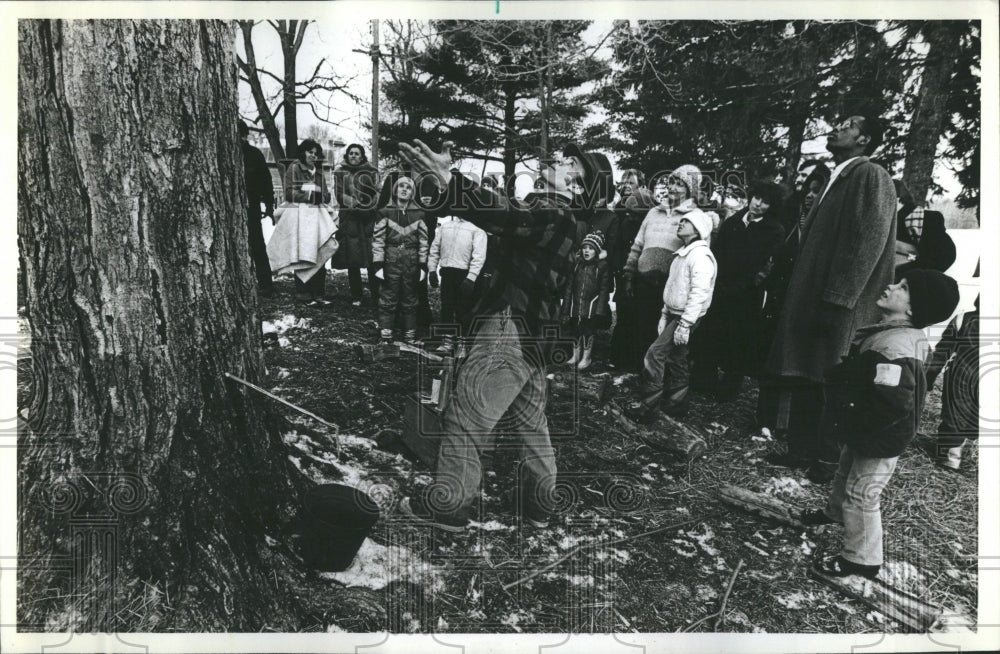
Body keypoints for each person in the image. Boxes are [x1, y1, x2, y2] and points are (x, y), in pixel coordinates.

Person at [395, 139, 593, 531]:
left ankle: (449, 506)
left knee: (467, 415)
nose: (559, 160)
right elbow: (506, 214)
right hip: (535, 338)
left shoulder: (550, 210)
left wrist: (451, 180)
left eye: (571, 164)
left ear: (578, 187)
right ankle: (540, 505)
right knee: (531, 423)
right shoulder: (566, 219)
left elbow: (504, 214)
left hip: (510, 330)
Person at [763, 114, 897, 483]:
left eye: (849, 125)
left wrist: (841, 296)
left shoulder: (872, 176)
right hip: (818, 297)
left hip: (841, 302)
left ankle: (827, 460)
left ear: (864, 140)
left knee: (833, 381)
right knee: (808, 372)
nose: (837, 128)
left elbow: (867, 240)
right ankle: (801, 451)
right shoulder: (837, 177)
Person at [802, 270, 960, 579]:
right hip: (866, 427)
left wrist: (856, 422)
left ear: (913, 309)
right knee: (846, 471)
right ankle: (834, 513)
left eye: (903, 286)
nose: (891, 286)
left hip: (879, 435)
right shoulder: (894, 333)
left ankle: (862, 559)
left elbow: (893, 404)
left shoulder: (896, 349)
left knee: (863, 493)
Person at [690, 181, 786, 398]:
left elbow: (768, 266)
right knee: (710, 334)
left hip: (746, 295)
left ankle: (729, 389)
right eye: (757, 198)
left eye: (766, 202)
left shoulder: (774, 230)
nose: (758, 204)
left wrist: (747, 285)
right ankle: (702, 382)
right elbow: (718, 252)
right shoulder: (733, 221)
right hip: (721, 288)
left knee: (739, 341)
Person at [627, 210, 717, 422]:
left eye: (687, 221)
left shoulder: (700, 256)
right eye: (682, 219)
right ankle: (676, 403)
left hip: (685, 317)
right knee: (677, 357)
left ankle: (648, 407)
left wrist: (685, 324)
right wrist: (664, 313)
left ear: (698, 230)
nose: (681, 223)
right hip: (676, 314)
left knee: (654, 354)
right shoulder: (683, 253)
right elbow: (673, 287)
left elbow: (699, 292)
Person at [615, 165, 704, 372]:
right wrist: (628, 275)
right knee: (642, 330)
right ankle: (642, 377)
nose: (673, 187)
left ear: (690, 190)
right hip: (643, 282)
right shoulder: (653, 212)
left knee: (663, 339)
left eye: (680, 184)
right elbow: (637, 245)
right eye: (672, 181)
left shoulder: (695, 216)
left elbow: (698, 254)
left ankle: (661, 383)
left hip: (671, 287)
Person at [924, 292, 979, 470]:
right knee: (958, 416)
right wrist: (929, 376)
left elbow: (942, 352)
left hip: (968, 377)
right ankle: (951, 458)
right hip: (962, 375)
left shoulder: (963, 319)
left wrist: (929, 376)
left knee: (963, 417)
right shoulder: (963, 319)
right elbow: (942, 352)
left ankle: (957, 455)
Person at [372, 176, 429, 344]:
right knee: (388, 296)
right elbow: (378, 240)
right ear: (395, 190)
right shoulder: (384, 212)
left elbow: (424, 241)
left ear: (413, 193)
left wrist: (422, 265)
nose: (404, 189)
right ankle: (386, 335)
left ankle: (410, 336)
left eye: (409, 187)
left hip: (411, 261)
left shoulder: (419, 214)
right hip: (391, 260)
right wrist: (378, 264)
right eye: (401, 186)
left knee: (410, 298)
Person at [282, 138, 333, 305]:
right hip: (300, 216)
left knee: (320, 248)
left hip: (317, 215)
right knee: (302, 251)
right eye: (310, 152)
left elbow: (326, 195)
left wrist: (321, 196)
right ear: (303, 152)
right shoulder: (295, 167)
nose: (313, 155)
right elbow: (289, 193)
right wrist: (310, 195)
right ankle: (303, 291)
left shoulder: (318, 171)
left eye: (316, 153)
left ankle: (319, 292)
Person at [428, 214, 488, 354]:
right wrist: (432, 270)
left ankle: (463, 342)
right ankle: (447, 341)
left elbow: (479, 256)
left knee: (464, 308)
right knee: (447, 307)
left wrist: (471, 277)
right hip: (447, 273)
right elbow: (435, 249)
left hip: (465, 275)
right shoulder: (445, 227)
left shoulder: (477, 229)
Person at [333, 143, 380, 306]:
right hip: (350, 218)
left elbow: (376, 193)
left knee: (371, 258)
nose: (353, 156)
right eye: (351, 153)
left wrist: (367, 207)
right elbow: (339, 194)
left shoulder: (372, 172)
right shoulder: (340, 172)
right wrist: (354, 205)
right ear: (347, 155)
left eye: (357, 153)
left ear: (362, 156)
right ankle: (357, 295)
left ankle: (376, 294)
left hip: (368, 219)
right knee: (352, 258)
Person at [561, 231, 612, 370]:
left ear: (596, 250)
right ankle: (576, 355)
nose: (586, 251)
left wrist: (600, 309)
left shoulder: (602, 266)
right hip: (575, 304)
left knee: (588, 331)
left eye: (590, 248)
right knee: (575, 330)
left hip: (591, 306)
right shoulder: (577, 265)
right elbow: (569, 287)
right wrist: (566, 307)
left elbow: (603, 290)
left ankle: (586, 357)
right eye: (584, 248)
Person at [239, 121, 276, 296]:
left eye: (241, 135)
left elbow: (266, 182)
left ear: (245, 135)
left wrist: (269, 206)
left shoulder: (254, 155)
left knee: (257, 245)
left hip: (250, 205)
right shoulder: (223, 153)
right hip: (229, 208)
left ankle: (266, 284)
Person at [892, 179, 957, 280]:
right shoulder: (895, 221)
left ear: (898, 199)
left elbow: (946, 256)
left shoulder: (926, 220)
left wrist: (911, 272)